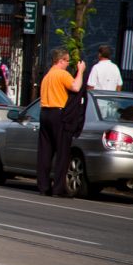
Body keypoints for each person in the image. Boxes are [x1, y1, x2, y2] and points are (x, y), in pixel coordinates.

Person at [37, 48, 86, 197]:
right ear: (60, 61)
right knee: (62, 152)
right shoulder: (62, 74)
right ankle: (58, 188)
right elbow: (76, 87)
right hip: (58, 114)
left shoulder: (47, 76)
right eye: (67, 60)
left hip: (45, 113)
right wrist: (81, 71)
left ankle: (44, 186)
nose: (68, 63)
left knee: (45, 152)